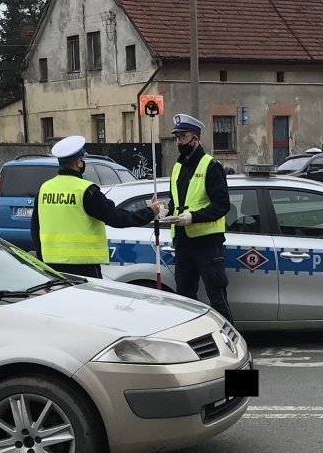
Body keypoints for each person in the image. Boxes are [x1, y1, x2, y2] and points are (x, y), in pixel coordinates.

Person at [29, 135, 159, 278]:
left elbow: (35, 229)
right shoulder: (86, 190)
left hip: (52, 267)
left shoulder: (45, 189)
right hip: (84, 268)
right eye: (83, 159)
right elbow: (116, 217)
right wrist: (149, 212)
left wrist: (43, 261)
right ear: (79, 162)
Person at [163, 114, 234, 322]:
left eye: (182, 137)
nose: (178, 142)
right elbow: (177, 202)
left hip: (207, 245)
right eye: (176, 138)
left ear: (195, 138)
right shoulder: (177, 167)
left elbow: (222, 205)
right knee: (185, 298)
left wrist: (193, 218)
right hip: (183, 243)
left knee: (217, 296)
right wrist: (166, 211)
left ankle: (230, 342)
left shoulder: (210, 166)